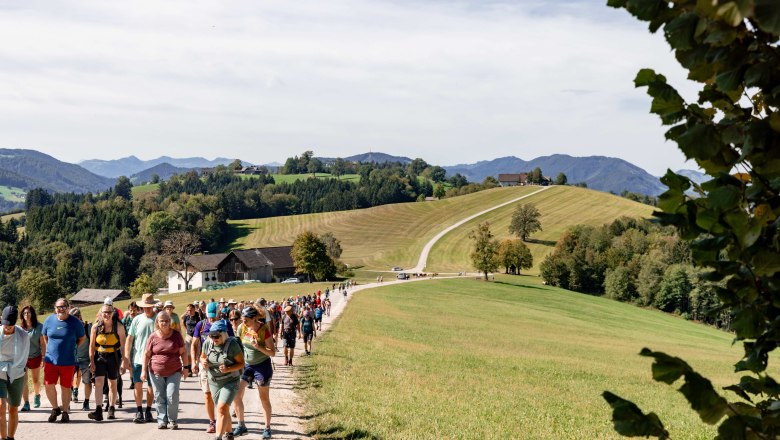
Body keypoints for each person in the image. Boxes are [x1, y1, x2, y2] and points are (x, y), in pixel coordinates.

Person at [232, 306, 275, 439]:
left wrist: (258, 346)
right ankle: (241, 425)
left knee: (263, 398)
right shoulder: (242, 328)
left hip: (263, 366)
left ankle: (267, 428)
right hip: (247, 366)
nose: (243, 323)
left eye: (246, 320)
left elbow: (272, 352)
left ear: (254, 318)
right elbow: (237, 344)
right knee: (236, 395)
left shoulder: (263, 330)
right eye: (242, 320)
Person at [192, 301, 234, 434]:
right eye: (209, 315)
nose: (211, 318)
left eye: (214, 316)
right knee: (207, 394)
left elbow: (233, 343)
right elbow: (194, 344)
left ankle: (224, 420)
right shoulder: (201, 325)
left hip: (222, 365)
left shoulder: (225, 324)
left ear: (219, 313)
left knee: (221, 396)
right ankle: (212, 422)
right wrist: (195, 361)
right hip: (205, 365)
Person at [42, 298, 86, 423]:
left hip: (68, 361)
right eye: (58, 307)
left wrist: (73, 346)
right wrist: (48, 351)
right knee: (48, 385)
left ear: (68, 307)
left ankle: (65, 412)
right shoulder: (49, 320)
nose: (61, 309)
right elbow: (45, 336)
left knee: (65, 387)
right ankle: (55, 408)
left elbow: (82, 338)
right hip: (51, 360)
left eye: (64, 306)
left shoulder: (75, 322)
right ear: (54, 308)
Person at [141, 311, 186, 430]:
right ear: (157, 322)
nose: (164, 323)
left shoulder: (176, 335)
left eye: (166, 320)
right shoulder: (153, 336)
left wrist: (186, 367)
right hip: (156, 372)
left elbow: (183, 353)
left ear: (170, 321)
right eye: (162, 320)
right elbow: (146, 355)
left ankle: (172, 420)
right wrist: (143, 371)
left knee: (172, 395)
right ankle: (162, 420)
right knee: (159, 396)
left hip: (174, 371)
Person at [200, 320, 244, 440]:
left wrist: (228, 368)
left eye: (217, 336)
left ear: (224, 334)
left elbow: (241, 364)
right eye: (211, 336)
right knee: (223, 409)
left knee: (221, 408)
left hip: (230, 380)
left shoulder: (232, 345)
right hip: (214, 382)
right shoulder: (207, 344)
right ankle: (229, 434)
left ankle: (218, 436)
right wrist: (202, 361)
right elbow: (202, 356)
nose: (214, 338)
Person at [88, 302, 128, 421]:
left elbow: (124, 345)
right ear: (101, 313)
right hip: (99, 357)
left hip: (114, 357)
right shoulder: (95, 327)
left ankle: (111, 408)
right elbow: (91, 346)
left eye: (109, 312)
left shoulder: (119, 327)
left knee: (112, 383)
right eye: (105, 312)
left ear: (113, 313)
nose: (107, 315)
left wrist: (124, 362)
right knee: (98, 382)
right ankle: (98, 410)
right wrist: (92, 361)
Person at [125, 293, 158, 424]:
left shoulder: (158, 319)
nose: (147, 309)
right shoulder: (136, 320)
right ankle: (139, 410)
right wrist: (127, 357)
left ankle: (148, 410)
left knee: (151, 386)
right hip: (138, 358)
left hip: (154, 359)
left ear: (153, 306)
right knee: (138, 385)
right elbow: (129, 339)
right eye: (145, 306)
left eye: (149, 306)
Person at [0, 306, 30, 440]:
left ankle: (10, 437)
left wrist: (16, 368)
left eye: (10, 326)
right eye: (5, 325)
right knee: (1, 407)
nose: (7, 328)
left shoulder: (23, 335)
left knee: (13, 409)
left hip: (16, 373)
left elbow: (24, 357)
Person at [19, 306, 45, 411]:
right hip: (23, 358)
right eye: (24, 313)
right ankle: (26, 403)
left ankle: (37, 395)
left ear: (32, 314)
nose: (26, 315)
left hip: (35, 356)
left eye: (29, 313)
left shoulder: (39, 327)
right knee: (23, 381)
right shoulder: (20, 328)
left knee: (35, 380)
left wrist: (43, 357)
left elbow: (43, 344)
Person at [70, 308, 92, 411]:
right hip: (71, 358)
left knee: (87, 381)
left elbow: (92, 344)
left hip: (85, 359)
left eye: (75, 319)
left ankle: (86, 402)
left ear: (80, 317)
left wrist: (92, 360)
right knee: (67, 381)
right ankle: (68, 401)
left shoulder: (87, 327)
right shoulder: (68, 328)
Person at [182, 302, 201, 377]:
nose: (189, 312)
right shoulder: (187, 316)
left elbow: (201, 323)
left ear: (194, 309)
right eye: (188, 310)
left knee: (197, 352)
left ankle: (197, 368)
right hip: (189, 336)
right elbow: (183, 322)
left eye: (190, 310)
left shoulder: (198, 316)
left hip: (196, 336)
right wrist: (186, 330)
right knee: (188, 353)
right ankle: (189, 369)